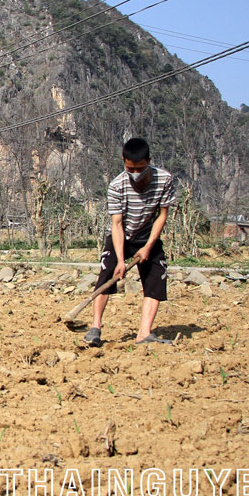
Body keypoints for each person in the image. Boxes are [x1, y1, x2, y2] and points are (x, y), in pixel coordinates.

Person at [85, 137, 176, 346]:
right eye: (130, 169)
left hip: (148, 237)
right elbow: (116, 224)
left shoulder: (164, 180)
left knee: (156, 280)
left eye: (140, 169)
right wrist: (120, 260)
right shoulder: (117, 186)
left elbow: (162, 215)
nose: (135, 174)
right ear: (124, 162)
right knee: (106, 275)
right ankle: (95, 328)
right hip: (121, 237)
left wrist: (148, 247)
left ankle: (144, 333)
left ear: (149, 161)